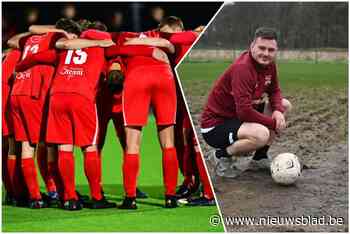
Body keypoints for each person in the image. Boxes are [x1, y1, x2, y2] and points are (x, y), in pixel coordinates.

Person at [201, 27, 292, 178]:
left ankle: (259, 159)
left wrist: (277, 110)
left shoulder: (269, 65)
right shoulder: (243, 68)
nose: (266, 54)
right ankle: (219, 156)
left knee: (284, 105)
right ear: (252, 46)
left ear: (276, 51)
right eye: (262, 48)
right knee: (261, 134)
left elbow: (274, 90)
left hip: (237, 117)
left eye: (271, 50)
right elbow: (244, 112)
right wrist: (273, 124)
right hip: (216, 125)